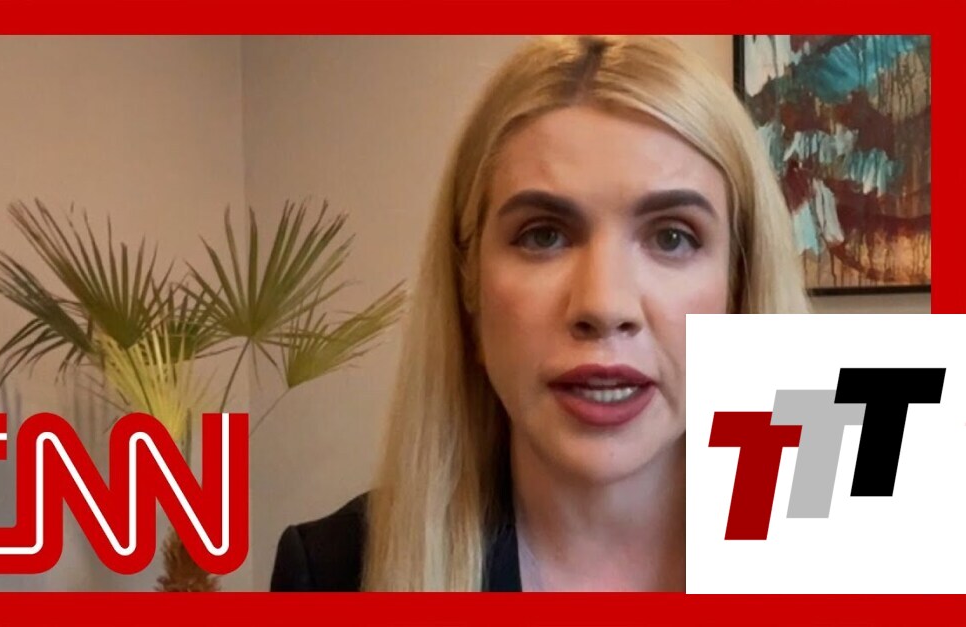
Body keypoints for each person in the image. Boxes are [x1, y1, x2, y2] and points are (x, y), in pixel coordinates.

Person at [270, 34, 809, 592]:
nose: (603, 305)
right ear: (469, 291)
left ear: (740, 291)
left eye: (672, 237)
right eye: (544, 235)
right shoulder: (332, 575)